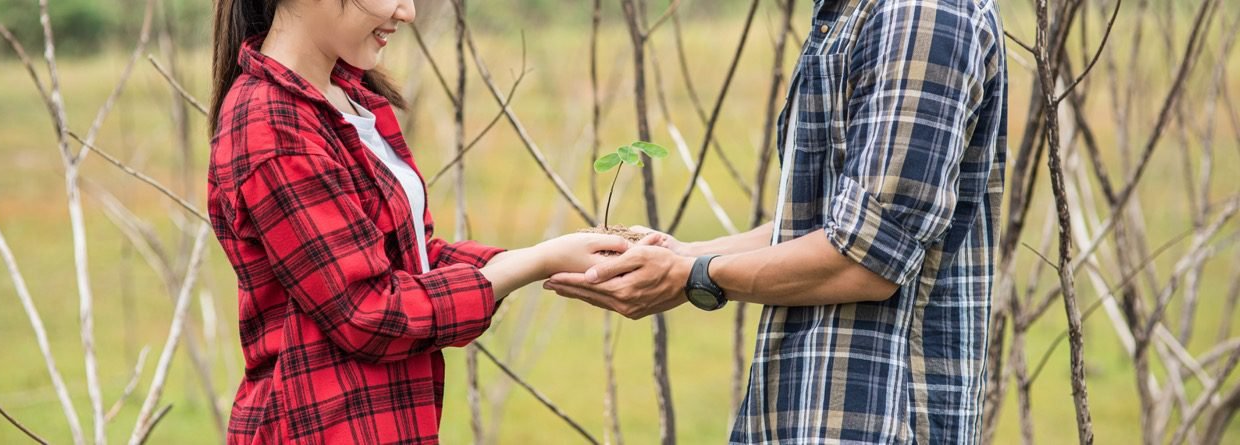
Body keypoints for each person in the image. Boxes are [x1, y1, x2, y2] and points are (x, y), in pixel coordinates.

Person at [546, 0, 1008, 443]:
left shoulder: (920, 14)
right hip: (815, 409)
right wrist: (681, 254)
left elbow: (866, 261)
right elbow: (827, 224)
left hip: (878, 417)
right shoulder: (852, 13)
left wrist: (691, 277)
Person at [205, 0, 628, 442]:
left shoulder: (344, 99)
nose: (407, 11)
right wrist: (536, 263)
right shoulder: (272, 125)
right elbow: (366, 312)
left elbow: (409, 261)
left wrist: (561, 253)